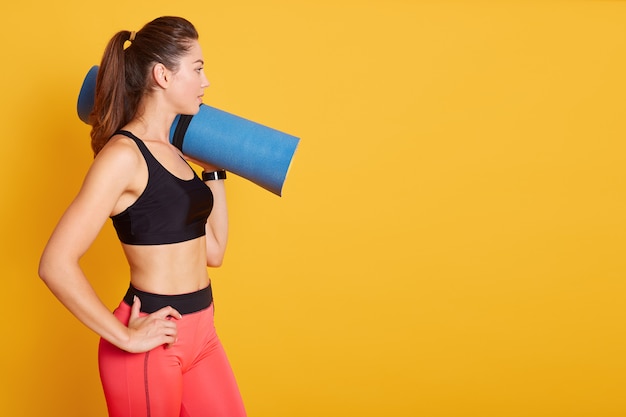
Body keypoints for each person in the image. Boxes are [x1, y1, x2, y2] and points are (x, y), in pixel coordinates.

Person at [38, 16, 246, 417]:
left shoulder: (177, 155)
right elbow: (54, 264)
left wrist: (214, 171)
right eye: (198, 68)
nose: (206, 82)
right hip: (153, 338)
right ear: (163, 75)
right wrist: (125, 338)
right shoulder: (123, 157)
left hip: (203, 333)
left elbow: (214, 252)